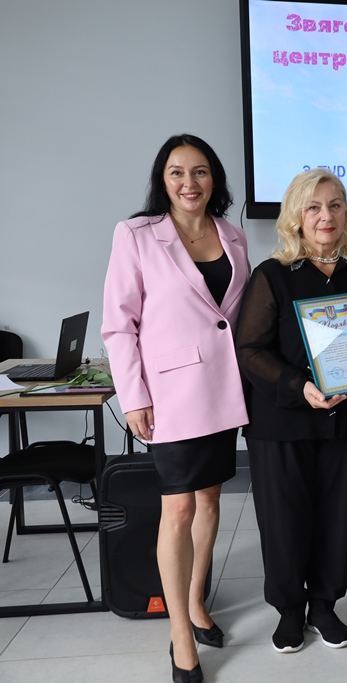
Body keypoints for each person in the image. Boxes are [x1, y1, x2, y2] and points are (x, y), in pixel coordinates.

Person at [102, 133, 249, 683]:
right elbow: (119, 324)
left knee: (210, 499)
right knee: (178, 509)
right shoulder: (136, 235)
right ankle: (179, 634)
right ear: (162, 181)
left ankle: (194, 600)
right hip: (170, 396)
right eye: (177, 172)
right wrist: (133, 396)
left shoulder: (233, 235)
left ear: (215, 179)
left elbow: (232, 317)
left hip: (222, 390)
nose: (190, 182)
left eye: (201, 171)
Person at [234, 169, 347, 652]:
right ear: (296, 217)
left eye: (336, 205)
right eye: (314, 206)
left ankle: (324, 605)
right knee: (284, 520)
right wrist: (299, 386)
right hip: (282, 421)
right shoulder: (273, 274)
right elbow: (249, 350)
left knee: (335, 517)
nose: (327, 216)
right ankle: (289, 610)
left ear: (346, 213)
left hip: (346, 421)